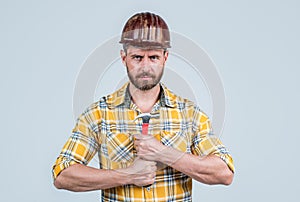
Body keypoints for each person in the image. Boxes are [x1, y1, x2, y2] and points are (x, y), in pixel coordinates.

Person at [52, 12, 234, 201]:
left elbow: (224, 172)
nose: (145, 66)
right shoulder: (98, 114)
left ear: (165, 57)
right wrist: (127, 175)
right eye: (137, 57)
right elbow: (62, 174)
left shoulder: (190, 115)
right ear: (124, 58)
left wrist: (164, 153)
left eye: (153, 57)